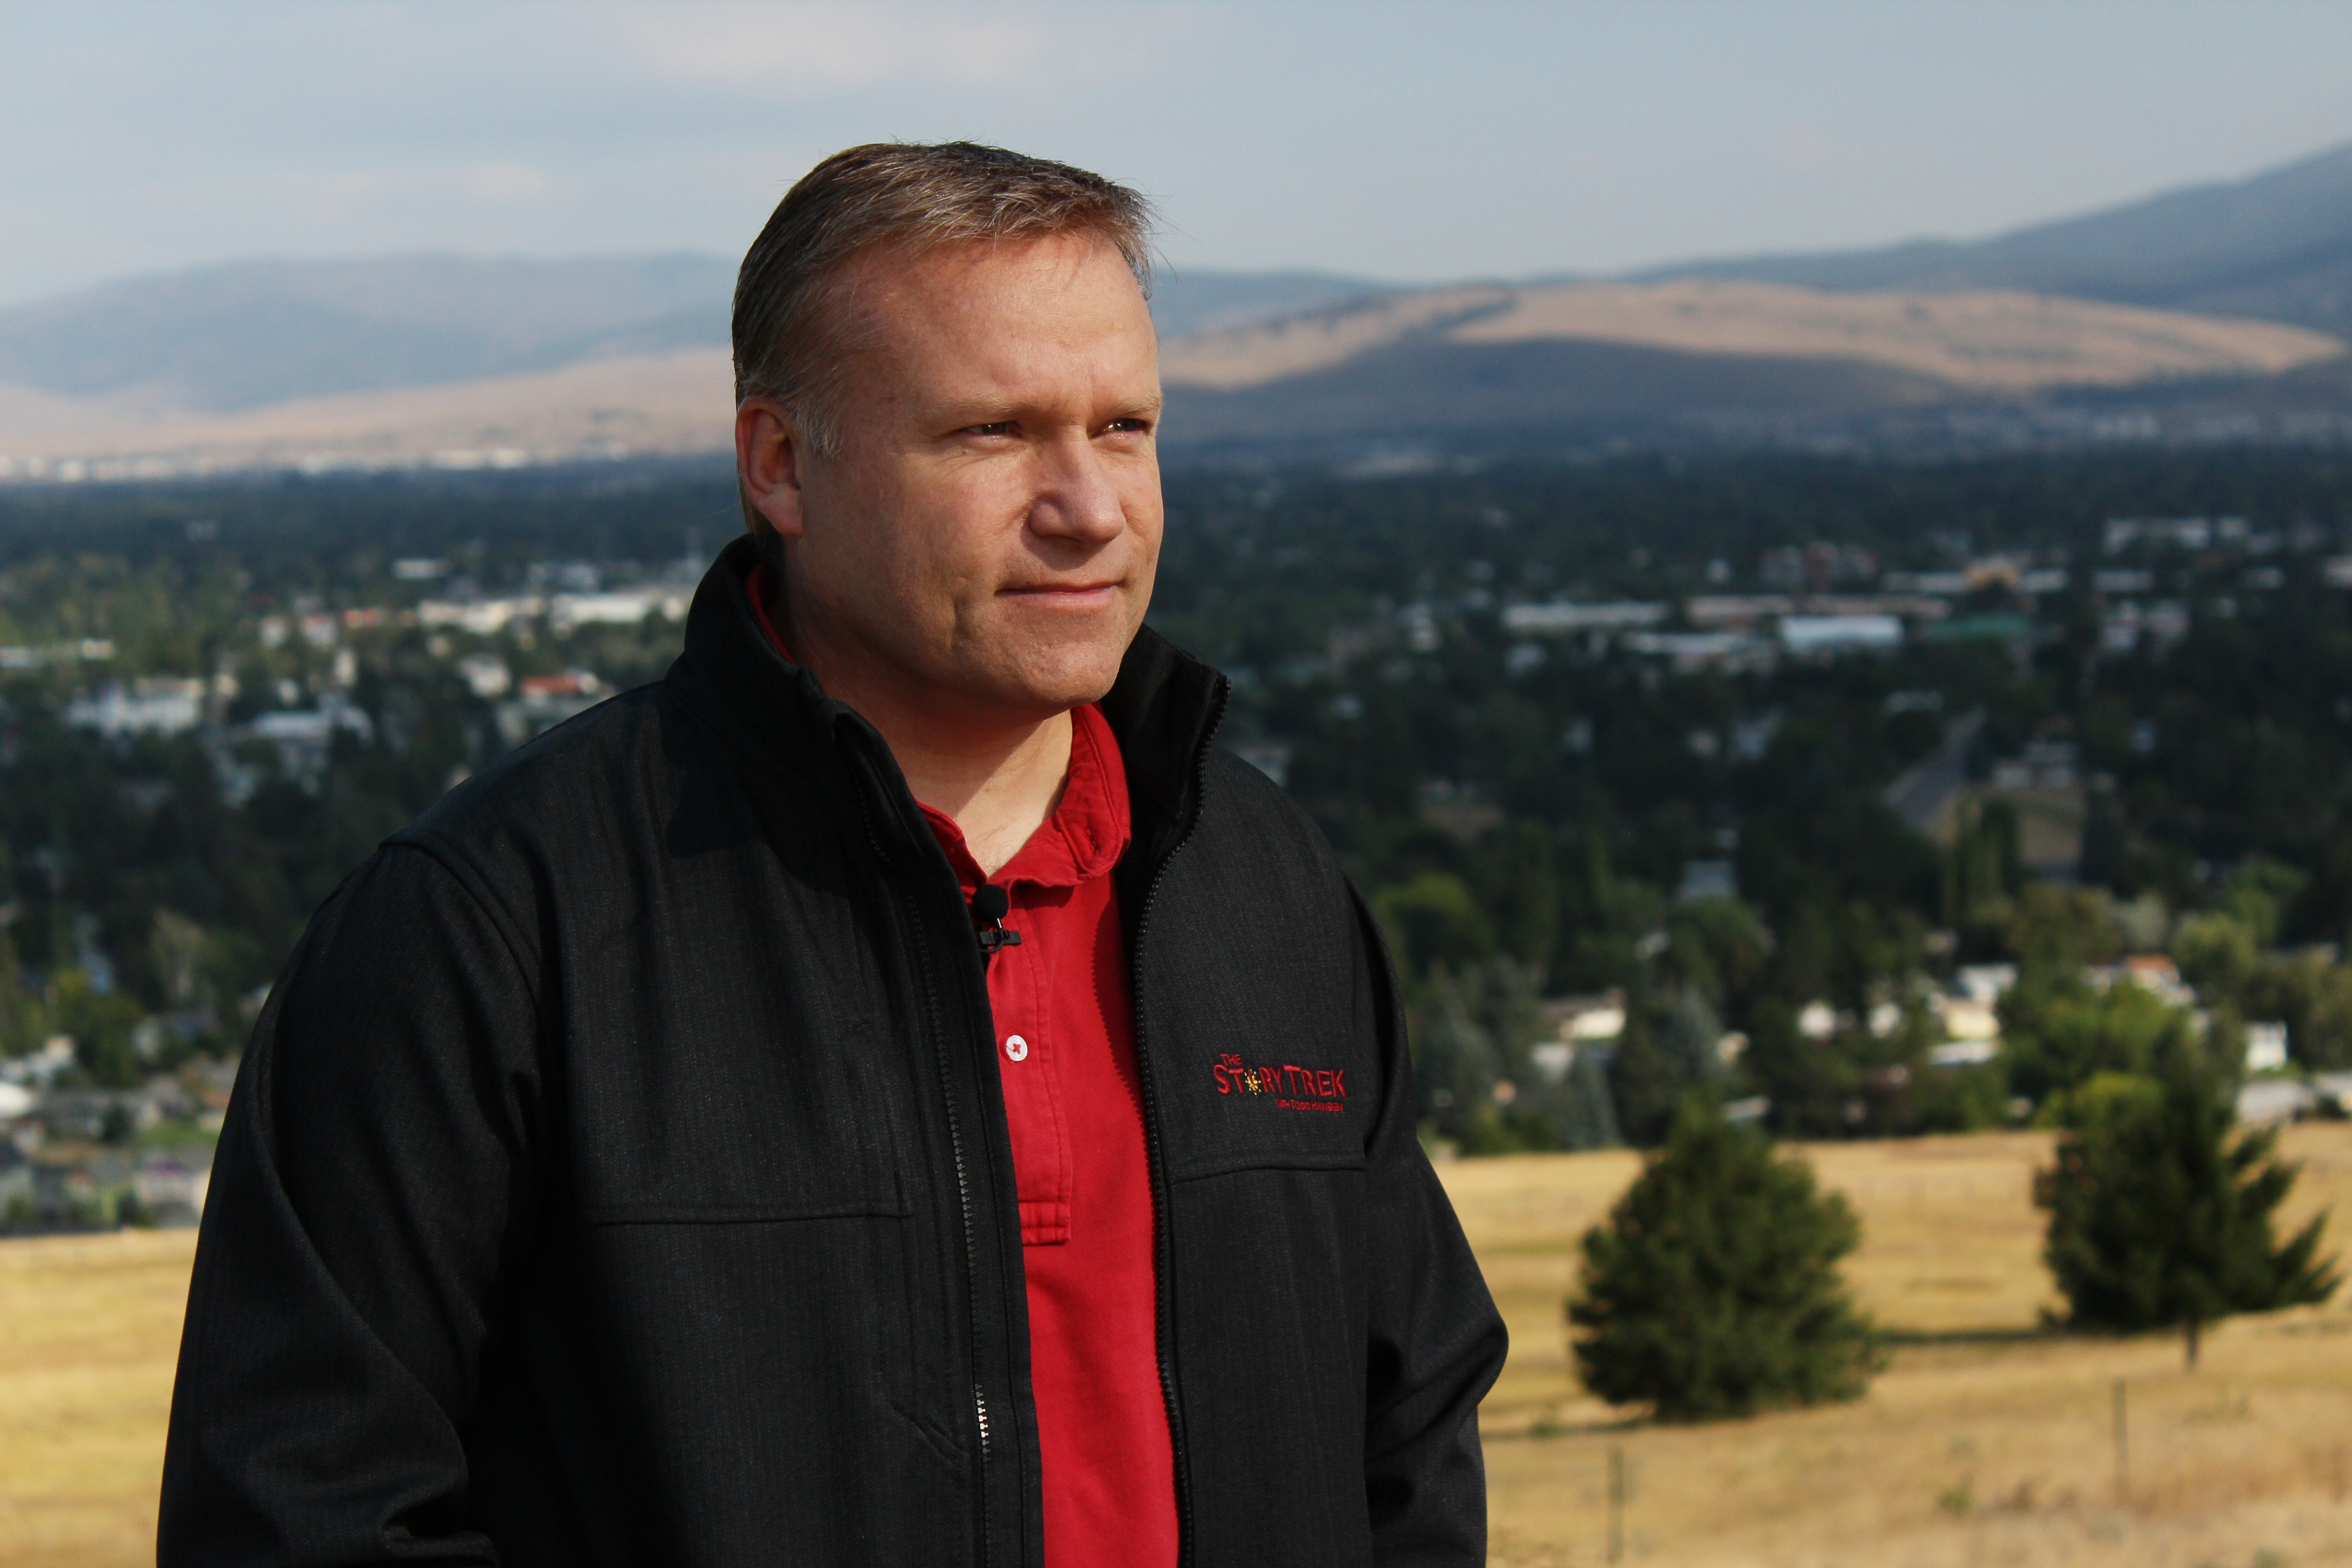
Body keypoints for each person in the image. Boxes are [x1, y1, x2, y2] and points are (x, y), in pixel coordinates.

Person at [161, 141, 1505, 1567]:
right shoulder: (487, 932)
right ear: (782, 466)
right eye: (995, 434)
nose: (1090, 506)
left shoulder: (1257, 882)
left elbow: (1409, 1428)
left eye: (1124, 427)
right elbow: (297, 1513)